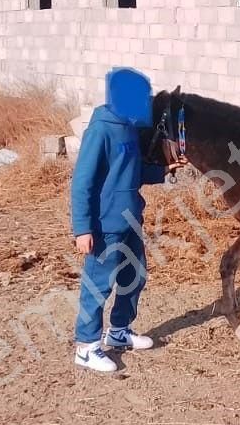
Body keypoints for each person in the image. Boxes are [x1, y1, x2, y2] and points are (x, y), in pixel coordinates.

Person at [69, 67, 167, 373]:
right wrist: (82, 228)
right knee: (98, 285)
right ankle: (86, 347)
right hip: (105, 225)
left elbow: (132, 172)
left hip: (130, 219)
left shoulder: (130, 128)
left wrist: (166, 169)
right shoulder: (101, 130)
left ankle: (119, 331)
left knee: (134, 277)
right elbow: (82, 182)